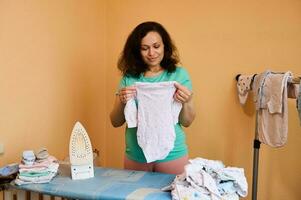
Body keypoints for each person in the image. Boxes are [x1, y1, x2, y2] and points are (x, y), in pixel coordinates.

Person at [110, 21, 196, 174]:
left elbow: (187, 122)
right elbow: (115, 121)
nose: (151, 53)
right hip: (136, 156)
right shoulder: (129, 78)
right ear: (137, 51)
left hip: (172, 154)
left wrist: (187, 101)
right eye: (145, 48)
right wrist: (122, 103)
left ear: (165, 46)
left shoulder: (178, 75)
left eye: (156, 46)